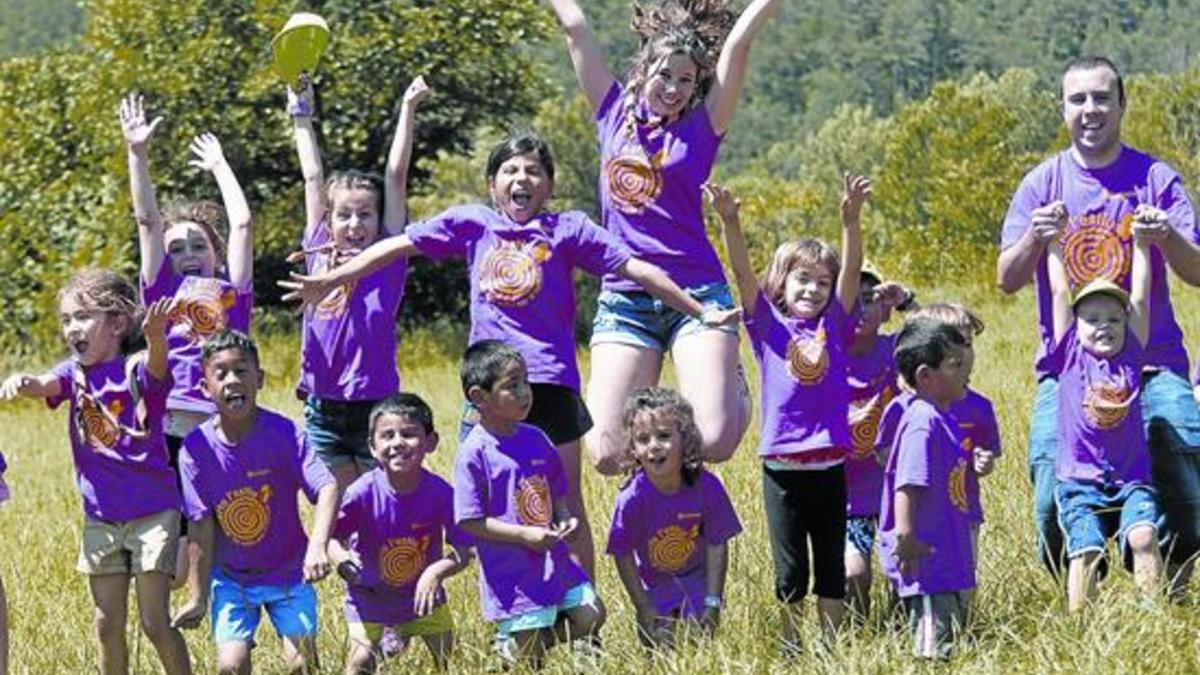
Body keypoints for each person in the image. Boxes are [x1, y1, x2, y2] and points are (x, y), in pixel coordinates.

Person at [280, 132, 737, 578]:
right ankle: (513, 608)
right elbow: (398, 245)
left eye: (534, 171)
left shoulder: (568, 229)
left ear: (549, 184)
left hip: (550, 384)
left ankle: (583, 609)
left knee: (565, 498)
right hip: (487, 388)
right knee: (483, 501)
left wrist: (699, 311)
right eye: (510, 170)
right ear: (492, 183)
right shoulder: (474, 222)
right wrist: (333, 279)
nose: (522, 178)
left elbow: (636, 268)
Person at [544, 0, 785, 472]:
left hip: (697, 294)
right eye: (665, 75)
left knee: (713, 442)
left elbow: (738, 44)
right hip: (626, 299)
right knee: (608, 454)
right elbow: (575, 27)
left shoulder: (703, 127)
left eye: (686, 81)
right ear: (642, 70)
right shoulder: (610, 111)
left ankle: (732, 383)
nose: (674, 89)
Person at [997, 56, 1200, 582]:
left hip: (1154, 362)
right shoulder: (1043, 182)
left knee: (1182, 460)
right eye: (1078, 99)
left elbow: (1196, 270)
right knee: (1048, 485)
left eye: (1102, 98)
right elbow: (1006, 278)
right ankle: (1085, 583)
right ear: (1062, 109)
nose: (1091, 109)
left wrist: (1167, 238)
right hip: (1067, 370)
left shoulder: (1155, 178)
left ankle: (1166, 589)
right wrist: (1035, 238)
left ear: (1121, 106)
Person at [0, 269, 191, 675]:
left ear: (117, 324)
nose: (72, 328)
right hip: (101, 516)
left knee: (154, 621)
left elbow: (158, 369)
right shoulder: (75, 373)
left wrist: (157, 337)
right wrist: (24, 380)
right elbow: (47, 384)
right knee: (106, 624)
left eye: (83, 317)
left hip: (153, 513)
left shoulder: (135, 369)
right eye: (67, 319)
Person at [708, 175, 869, 647]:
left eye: (822, 282)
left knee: (831, 564)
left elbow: (853, 273)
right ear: (783, 281)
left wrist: (851, 222)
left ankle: (831, 646)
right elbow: (741, 274)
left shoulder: (835, 324)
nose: (814, 290)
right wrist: (730, 222)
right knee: (790, 567)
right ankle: (791, 642)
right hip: (781, 469)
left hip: (830, 466)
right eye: (804, 279)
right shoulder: (767, 327)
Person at [120, 92, 255, 588]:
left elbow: (241, 223)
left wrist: (220, 165)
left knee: (230, 531)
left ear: (216, 254)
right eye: (177, 248)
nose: (188, 253)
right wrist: (138, 154)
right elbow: (147, 220)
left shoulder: (232, 295)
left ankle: (226, 599)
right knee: (177, 554)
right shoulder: (160, 288)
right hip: (171, 423)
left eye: (199, 244)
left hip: (225, 424)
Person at [288, 75, 428, 490]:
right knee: (335, 510)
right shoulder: (316, 247)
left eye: (365, 214)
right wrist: (300, 113)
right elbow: (312, 176)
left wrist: (407, 108)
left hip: (376, 404)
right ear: (327, 220)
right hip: (323, 407)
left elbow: (396, 174)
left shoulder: (386, 255)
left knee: (378, 508)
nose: (354, 224)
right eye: (344, 215)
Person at [171, 329, 339, 674]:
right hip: (232, 579)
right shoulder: (195, 451)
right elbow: (200, 528)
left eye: (241, 371)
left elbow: (327, 487)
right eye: (221, 373)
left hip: (291, 574)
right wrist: (198, 597)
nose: (232, 380)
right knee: (230, 667)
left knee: (301, 666)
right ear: (205, 389)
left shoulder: (286, 434)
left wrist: (318, 546)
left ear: (259, 379)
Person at [452, 341, 605, 667]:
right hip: (512, 573)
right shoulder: (474, 452)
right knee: (531, 664)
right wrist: (523, 536)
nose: (525, 392)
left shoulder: (536, 437)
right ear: (479, 397)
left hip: (554, 561)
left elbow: (556, 488)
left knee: (591, 614)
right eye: (512, 386)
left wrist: (563, 516)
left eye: (525, 382)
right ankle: (521, 649)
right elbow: (469, 520)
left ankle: (519, 649)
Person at [1046, 213, 1164, 612]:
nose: (1104, 327)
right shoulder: (1069, 355)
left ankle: (1152, 621)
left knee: (1144, 537)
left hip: (1131, 478)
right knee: (1087, 551)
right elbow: (1060, 293)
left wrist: (1143, 246)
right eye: (1092, 319)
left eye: (1114, 319)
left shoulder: (1131, 352)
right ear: (1075, 325)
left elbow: (1142, 298)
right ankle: (1081, 631)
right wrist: (1053, 244)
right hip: (1079, 481)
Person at [329, 393, 472, 672]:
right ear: (372, 446)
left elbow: (465, 552)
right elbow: (333, 539)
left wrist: (435, 572)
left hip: (423, 599)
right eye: (387, 435)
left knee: (449, 660)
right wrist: (344, 563)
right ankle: (388, 642)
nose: (397, 443)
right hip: (369, 598)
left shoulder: (441, 494)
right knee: (360, 663)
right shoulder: (362, 493)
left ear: (431, 442)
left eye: (408, 433)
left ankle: (395, 640)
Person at [607, 387, 741, 648]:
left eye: (664, 436)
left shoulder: (707, 486)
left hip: (697, 578)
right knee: (662, 642)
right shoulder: (631, 499)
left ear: (686, 439)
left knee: (698, 638)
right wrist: (642, 606)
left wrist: (713, 602)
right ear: (633, 448)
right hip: (655, 586)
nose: (654, 446)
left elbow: (717, 545)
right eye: (643, 439)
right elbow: (621, 554)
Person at [878, 318, 974, 660]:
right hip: (926, 559)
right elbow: (908, 482)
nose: (967, 371)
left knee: (948, 637)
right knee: (932, 650)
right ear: (925, 376)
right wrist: (905, 537)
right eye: (955, 365)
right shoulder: (923, 421)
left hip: (944, 555)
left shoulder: (941, 417)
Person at [843, 266, 911, 620]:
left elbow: (938, 337)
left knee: (902, 571)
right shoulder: (826, 356)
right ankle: (858, 636)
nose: (861, 309)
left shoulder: (896, 349)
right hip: (846, 497)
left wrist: (906, 302)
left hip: (893, 492)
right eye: (851, 301)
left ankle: (901, 632)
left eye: (869, 299)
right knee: (853, 574)